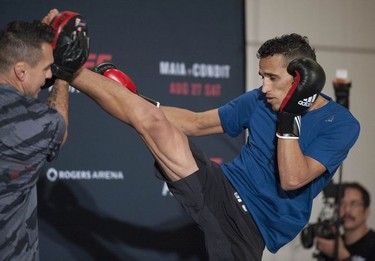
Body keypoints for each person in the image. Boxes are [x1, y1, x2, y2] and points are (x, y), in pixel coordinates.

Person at [67, 32, 360, 260]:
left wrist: (290, 115)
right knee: (152, 120)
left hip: (251, 229)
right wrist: (136, 100)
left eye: (272, 78)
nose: (264, 87)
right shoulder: (259, 100)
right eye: (262, 77)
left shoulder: (341, 124)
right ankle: (68, 68)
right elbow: (195, 123)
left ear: (300, 80)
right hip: (220, 185)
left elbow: (293, 177)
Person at [0, 11, 88, 260]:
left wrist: (32, 39)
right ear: (21, 71)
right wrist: (65, 73)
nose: (48, 75)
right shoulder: (36, 122)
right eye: (47, 68)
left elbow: (15, 51)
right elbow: (58, 129)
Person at [316, 182, 375, 261]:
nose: (347, 210)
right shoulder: (332, 244)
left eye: (354, 204)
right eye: (341, 203)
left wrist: (342, 256)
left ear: (366, 212)